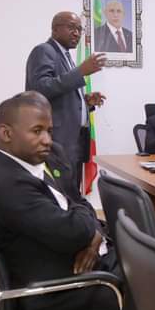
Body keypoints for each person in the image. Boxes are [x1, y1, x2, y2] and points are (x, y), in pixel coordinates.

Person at [0, 94, 120, 310]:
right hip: (59, 295)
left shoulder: (25, 160)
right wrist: (90, 232)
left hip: (69, 262)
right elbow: (76, 229)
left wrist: (93, 237)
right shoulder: (9, 184)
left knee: (143, 248)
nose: (48, 140)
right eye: (37, 131)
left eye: (49, 131)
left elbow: (77, 201)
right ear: (6, 133)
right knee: (152, 274)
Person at [26, 11, 107, 189]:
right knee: (58, 192)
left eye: (79, 29)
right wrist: (80, 72)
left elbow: (62, 94)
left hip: (75, 139)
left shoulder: (66, 55)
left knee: (72, 192)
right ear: (55, 29)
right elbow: (40, 88)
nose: (77, 33)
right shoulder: (44, 51)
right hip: (57, 139)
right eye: (71, 28)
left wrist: (86, 102)